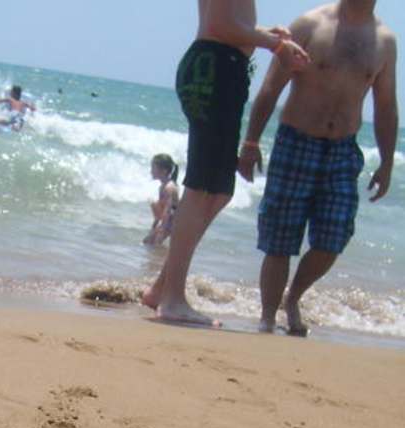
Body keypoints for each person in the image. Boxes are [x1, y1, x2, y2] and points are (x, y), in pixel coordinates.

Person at [141, 1, 309, 326]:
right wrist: (275, 45)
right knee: (202, 188)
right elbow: (220, 25)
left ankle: (162, 289)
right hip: (214, 68)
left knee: (218, 192)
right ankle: (172, 300)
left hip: (221, 66)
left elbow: (227, 21)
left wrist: (263, 34)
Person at [238, 1, 398, 336]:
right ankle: (267, 318)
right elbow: (271, 86)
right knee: (280, 238)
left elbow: (385, 105)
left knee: (334, 237)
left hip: (343, 148)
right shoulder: (310, 24)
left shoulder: (384, 41)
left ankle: (293, 298)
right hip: (296, 141)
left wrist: (386, 162)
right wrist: (251, 143)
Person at [143, 154, 180, 246]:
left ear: (164, 171)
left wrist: (161, 231)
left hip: (171, 223)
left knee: (152, 245)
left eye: (153, 168)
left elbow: (168, 211)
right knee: (147, 242)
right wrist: (154, 226)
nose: (151, 171)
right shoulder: (162, 187)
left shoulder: (169, 188)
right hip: (167, 222)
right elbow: (161, 207)